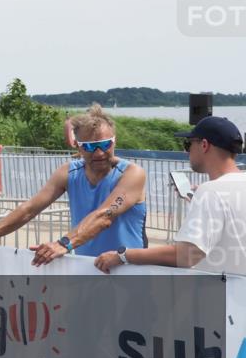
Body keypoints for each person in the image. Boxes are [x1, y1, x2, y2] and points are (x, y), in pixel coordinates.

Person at [0, 104, 148, 265]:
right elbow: (29, 208)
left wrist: (63, 244)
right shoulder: (69, 173)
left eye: (105, 144)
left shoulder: (132, 174)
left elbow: (104, 216)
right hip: (89, 268)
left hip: (129, 270)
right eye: (90, 146)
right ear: (78, 146)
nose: (99, 153)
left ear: (114, 142)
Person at [95, 116, 245, 275]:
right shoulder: (221, 191)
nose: (186, 152)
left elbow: (187, 255)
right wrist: (201, 200)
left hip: (226, 290)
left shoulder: (211, 192)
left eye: (188, 144)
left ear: (204, 145)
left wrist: (123, 255)